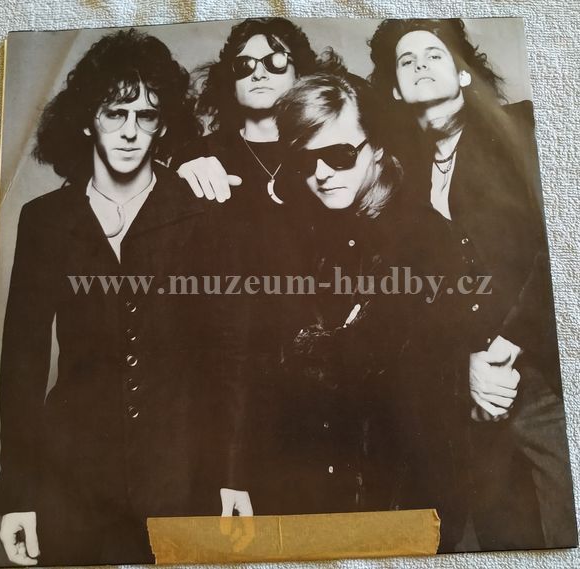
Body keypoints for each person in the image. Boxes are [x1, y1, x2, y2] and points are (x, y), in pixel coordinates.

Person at [0, 28, 238, 565]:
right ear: (87, 119)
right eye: (114, 113)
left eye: (146, 116)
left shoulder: (199, 212)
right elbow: (22, 364)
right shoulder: (45, 220)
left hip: (180, 478)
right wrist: (17, 495)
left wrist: (229, 475)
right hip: (72, 481)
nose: (129, 131)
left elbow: (225, 357)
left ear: (163, 124)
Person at [369, 18, 577, 550]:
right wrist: (466, 364)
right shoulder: (401, 175)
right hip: (472, 393)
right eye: (406, 60)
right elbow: (415, 294)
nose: (420, 63)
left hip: (549, 372)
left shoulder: (524, 128)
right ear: (395, 91)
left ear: (463, 74)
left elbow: (564, 243)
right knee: (492, 538)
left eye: (434, 54)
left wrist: (508, 344)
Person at [267, 71, 470, 548]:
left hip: (405, 496)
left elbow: (360, 363)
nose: (322, 173)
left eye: (339, 155)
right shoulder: (315, 228)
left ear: (376, 146)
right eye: (306, 160)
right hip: (329, 490)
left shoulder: (423, 237)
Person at [174, 17, 341, 516]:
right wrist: (179, 173)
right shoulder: (200, 157)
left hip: (322, 383)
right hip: (230, 390)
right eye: (244, 64)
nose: (259, 72)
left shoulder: (329, 155)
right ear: (228, 78)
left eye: (275, 60)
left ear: (300, 72)